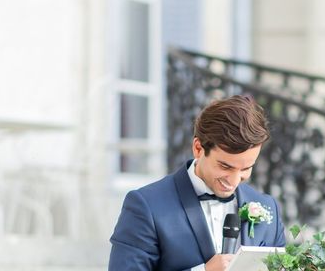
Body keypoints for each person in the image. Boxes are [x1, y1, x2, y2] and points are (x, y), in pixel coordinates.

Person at [108, 95, 286, 271]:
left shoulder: (267, 206)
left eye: (246, 168)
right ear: (198, 148)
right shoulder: (146, 206)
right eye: (225, 166)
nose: (234, 181)